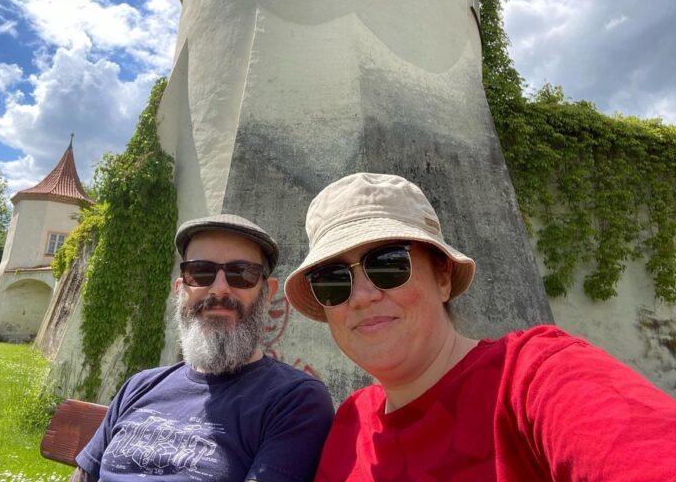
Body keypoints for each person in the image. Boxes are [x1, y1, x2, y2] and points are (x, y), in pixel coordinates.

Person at [285, 172, 676, 481]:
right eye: (332, 279)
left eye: (388, 263)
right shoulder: (351, 420)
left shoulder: (532, 377)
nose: (361, 295)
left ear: (442, 277)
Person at [73, 214, 334, 482]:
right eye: (200, 272)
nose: (219, 289)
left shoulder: (294, 400)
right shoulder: (139, 386)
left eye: (242, 273)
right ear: (180, 288)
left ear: (268, 293)